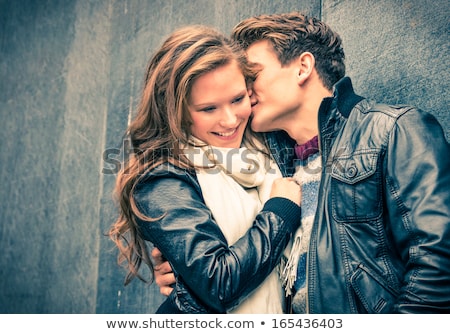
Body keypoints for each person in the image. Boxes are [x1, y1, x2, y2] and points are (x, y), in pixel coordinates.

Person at [152, 12, 450, 313]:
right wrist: (183, 268)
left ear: (302, 67)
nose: (243, 90)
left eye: (252, 76)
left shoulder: (392, 130)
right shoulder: (268, 166)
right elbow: (222, 260)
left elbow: (437, 261)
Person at [108, 24, 302, 314]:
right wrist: (280, 212)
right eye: (209, 109)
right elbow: (218, 282)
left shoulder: (269, 148)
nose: (230, 120)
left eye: (237, 99)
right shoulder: (161, 178)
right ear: (178, 111)